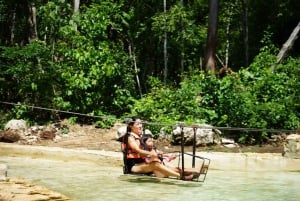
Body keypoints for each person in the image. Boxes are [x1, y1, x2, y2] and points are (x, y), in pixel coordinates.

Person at [121, 117, 194, 180]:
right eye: (138, 124)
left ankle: (195, 172)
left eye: (141, 124)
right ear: (131, 126)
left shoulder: (140, 137)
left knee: (170, 168)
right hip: (133, 166)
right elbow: (137, 150)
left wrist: (164, 155)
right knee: (155, 164)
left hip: (143, 163)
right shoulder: (129, 137)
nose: (140, 126)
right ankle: (180, 177)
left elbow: (149, 149)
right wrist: (152, 154)